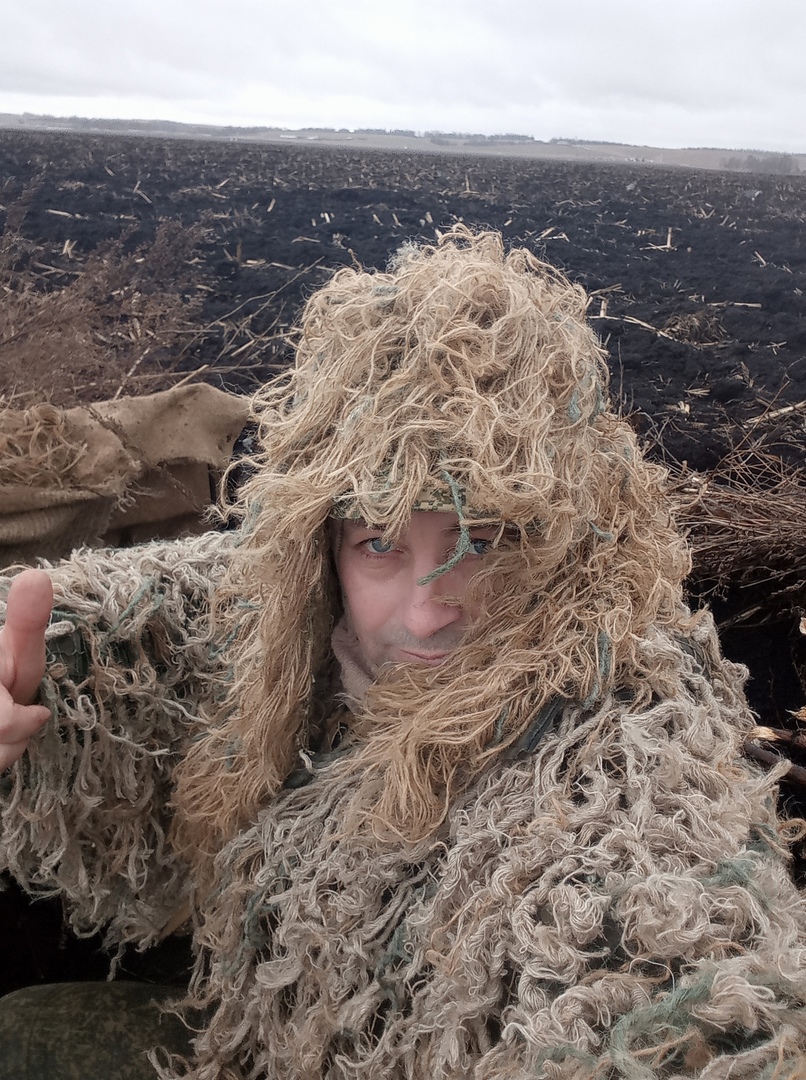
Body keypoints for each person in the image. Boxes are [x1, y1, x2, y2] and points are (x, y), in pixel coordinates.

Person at [1, 226, 805, 1079]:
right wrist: (60, 662)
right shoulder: (300, 627)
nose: (425, 615)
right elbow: (197, 596)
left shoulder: (616, 751)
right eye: (380, 543)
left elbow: (661, 964)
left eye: (483, 542)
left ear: (568, 546)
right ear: (322, 553)